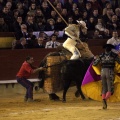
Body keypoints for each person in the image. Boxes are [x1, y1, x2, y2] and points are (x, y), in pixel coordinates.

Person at [92, 44, 120, 109]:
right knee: (110, 88)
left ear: (105, 49)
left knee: (104, 87)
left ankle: (103, 100)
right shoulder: (114, 55)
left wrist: (95, 59)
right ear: (111, 49)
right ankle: (105, 99)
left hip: (102, 72)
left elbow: (94, 64)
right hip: (110, 72)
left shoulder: (101, 55)